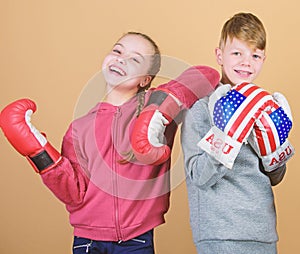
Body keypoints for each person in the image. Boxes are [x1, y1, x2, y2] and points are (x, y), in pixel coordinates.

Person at [0, 31, 220, 254]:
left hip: (137, 239)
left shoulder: (156, 108)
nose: (121, 59)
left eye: (135, 59)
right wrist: (39, 153)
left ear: (146, 79)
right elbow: (73, 194)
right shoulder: (80, 127)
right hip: (87, 241)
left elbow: (207, 75)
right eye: (117, 51)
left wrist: (159, 111)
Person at [181, 13, 294, 254]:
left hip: (262, 232)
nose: (246, 62)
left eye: (255, 55)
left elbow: (274, 177)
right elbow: (199, 176)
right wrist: (226, 136)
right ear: (219, 56)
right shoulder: (200, 108)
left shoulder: (266, 106)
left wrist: (275, 148)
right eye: (237, 53)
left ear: (264, 59)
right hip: (219, 233)